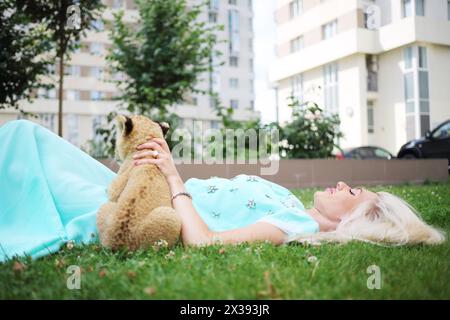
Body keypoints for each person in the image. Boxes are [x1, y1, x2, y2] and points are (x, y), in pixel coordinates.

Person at [0, 120, 445, 261]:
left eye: (354, 191)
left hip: (141, 205)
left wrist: (173, 180)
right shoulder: (291, 202)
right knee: (26, 137)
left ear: (354, 218)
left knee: (23, 150)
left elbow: (204, 242)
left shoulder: (289, 225)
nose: (344, 182)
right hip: (139, 188)